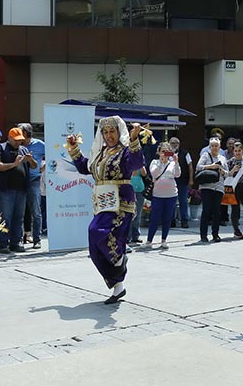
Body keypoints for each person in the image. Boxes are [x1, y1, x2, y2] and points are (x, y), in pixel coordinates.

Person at [66, 116, 144, 304]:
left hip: (120, 202)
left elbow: (136, 163)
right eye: (106, 132)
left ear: (119, 132)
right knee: (94, 246)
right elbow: (86, 168)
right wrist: (74, 148)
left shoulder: (124, 151)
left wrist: (134, 138)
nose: (109, 136)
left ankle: (120, 257)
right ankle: (118, 287)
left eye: (112, 132)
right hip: (102, 203)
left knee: (97, 232)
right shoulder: (100, 153)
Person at [0, 127, 35, 253]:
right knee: (5, 218)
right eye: (16, 140)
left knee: (18, 217)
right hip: (6, 189)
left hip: (21, 189)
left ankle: (16, 243)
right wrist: (14, 165)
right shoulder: (1, 148)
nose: (18, 143)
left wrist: (30, 160)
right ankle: (3, 244)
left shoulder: (23, 149)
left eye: (20, 140)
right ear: (10, 138)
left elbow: (34, 166)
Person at [146, 141, 181, 249]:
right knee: (155, 218)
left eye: (167, 152)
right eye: (162, 152)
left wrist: (176, 162)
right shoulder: (154, 162)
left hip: (171, 195)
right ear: (158, 152)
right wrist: (161, 162)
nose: (164, 154)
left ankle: (164, 240)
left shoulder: (172, 163)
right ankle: (149, 240)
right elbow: (154, 173)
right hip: (158, 195)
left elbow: (177, 174)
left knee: (167, 218)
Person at [196, 137, 229, 243]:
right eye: (212, 146)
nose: (214, 148)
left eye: (216, 146)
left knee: (216, 212)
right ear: (210, 147)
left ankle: (215, 234)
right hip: (206, 187)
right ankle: (203, 235)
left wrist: (222, 170)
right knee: (206, 211)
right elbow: (198, 167)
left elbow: (227, 174)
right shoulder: (205, 155)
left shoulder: (223, 158)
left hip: (219, 188)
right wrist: (211, 166)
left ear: (220, 147)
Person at [20, 123, 45, 249]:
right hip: (18, 180)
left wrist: (43, 167)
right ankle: (18, 239)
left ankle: (37, 239)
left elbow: (52, 155)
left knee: (36, 211)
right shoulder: (16, 144)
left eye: (19, 132)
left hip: (33, 179)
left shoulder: (39, 145)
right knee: (18, 211)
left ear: (25, 133)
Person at [169, 137, 193, 228]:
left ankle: (184, 220)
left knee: (183, 201)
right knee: (172, 201)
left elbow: (190, 166)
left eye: (176, 143)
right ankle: (171, 220)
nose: (174, 144)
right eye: (172, 143)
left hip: (183, 180)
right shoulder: (167, 153)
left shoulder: (185, 153)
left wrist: (191, 179)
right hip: (170, 180)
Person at [130, 165, 147, 244]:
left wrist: (141, 166)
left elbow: (144, 174)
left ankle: (136, 235)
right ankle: (127, 236)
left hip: (140, 190)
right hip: (129, 190)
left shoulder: (139, 164)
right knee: (129, 214)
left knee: (138, 213)